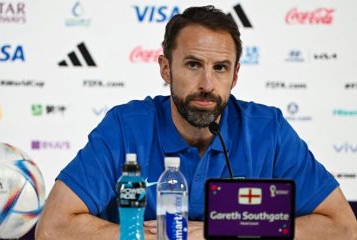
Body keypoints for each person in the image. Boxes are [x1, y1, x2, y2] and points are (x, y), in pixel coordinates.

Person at [35, 5, 357, 240]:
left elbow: (343, 227)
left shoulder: (267, 130)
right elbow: (52, 228)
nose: (207, 83)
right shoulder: (125, 126)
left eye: (220, 68)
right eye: (193, 64)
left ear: (235, 75)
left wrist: (222, 229)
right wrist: (165, 236)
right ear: (165, 68)